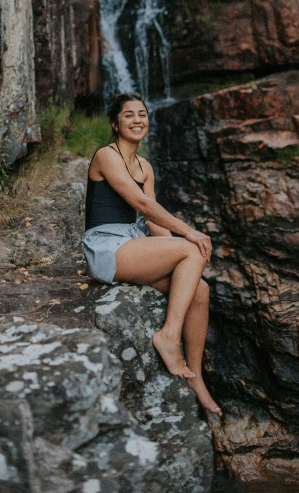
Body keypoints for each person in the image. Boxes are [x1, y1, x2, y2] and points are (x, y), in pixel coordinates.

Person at [83, 91, 222, 416]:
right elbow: (142, 204)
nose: (137, 119)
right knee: (191, 249)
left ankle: (196, 378)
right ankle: (169, 336)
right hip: (105, 246)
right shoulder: (106, 155)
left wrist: (181, 250)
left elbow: (153, 224)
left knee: (200, 289)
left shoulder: (144, 166)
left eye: (142, 114)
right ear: (115, 123)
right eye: (129, 114)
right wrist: (189, 235)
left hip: (133, 242)